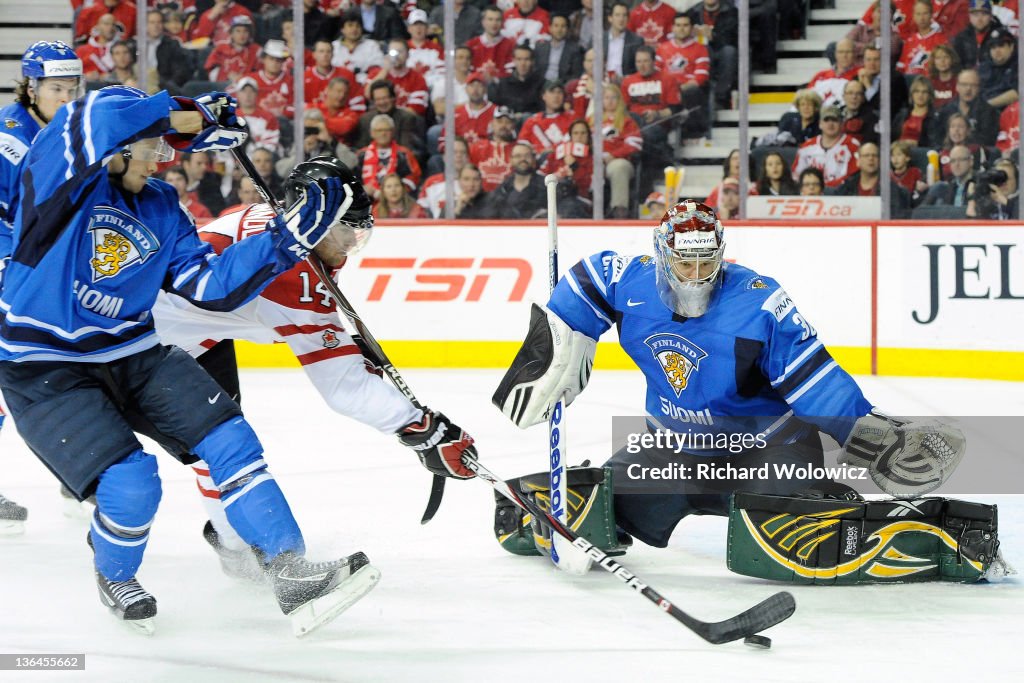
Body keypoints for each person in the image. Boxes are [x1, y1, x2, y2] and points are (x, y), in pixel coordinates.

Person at [0, 85, 377, 635]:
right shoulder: (63, 181)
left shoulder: (161, 205)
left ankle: (292, 573)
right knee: (133, 483)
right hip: (43, 365)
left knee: (232, 441)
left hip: (134, 352)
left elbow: (208, 284)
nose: (164, 153)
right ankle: (116, 575)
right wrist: (187, 111)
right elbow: (95, 111)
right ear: (120, 147)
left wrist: (289, 237)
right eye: (154, 143)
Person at [491, 200, 1003, 584]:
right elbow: (585, 280)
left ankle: (920, 534)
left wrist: (869, 434)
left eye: (705, 263)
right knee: (597, 504)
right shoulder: (631, 281)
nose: (695, 276)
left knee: (796, 528)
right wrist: (555, 339)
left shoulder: (758, 301)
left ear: (721, 255)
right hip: (674, 453)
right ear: (661, 256)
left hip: (766, 450)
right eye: (684, 264)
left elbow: (814, 379)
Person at [150, 157, 478, 578]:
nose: (349, 245)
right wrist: (419, 428)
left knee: (216, 442)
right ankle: (234, 543)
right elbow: (344, 387)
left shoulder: (273, 222)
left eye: (359, 231)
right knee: (215, 446)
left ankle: (230, 541)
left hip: (199, 327)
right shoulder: (294, 279)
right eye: (343, 230)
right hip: (152, 340)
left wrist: (338, 340)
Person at [0, 41, 83, 533]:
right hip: (15, 268)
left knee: (64, 369)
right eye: (56, 88)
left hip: (43, 270)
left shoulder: (65, 128)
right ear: (31, 87)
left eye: (72, 88)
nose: (65, 96)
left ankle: (77, 471)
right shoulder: (9, 138)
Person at [831, 142, 913, 217]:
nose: (871, 158)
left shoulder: (892, 189)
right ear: (858, 161)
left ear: (880, 161)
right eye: (866, 155)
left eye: (875, 155)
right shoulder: (846, 187)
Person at [792, 105, 861, 188]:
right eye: (826, 120)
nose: (830, 124)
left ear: (842, 124)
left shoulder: (853, 145)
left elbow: (853, 176)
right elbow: (796, 175)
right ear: (820, 124)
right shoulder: (807, 146)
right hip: (811, 193)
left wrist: (827, 187)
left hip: (841, 193)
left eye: (834, 120)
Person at [486, 143, 548, 219]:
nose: (523, 159)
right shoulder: (502, 189)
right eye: (518, 156)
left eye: (527, 155)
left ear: (533, 159)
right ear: (510, 160)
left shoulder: (547, 186)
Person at [893, 76, 939, 147]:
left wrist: (916, 144)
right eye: (917, 91)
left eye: (924, 92)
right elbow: (892, 137)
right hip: (899, 152)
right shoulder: (902, 114)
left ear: (930, 96)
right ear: (912, 94)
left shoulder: (934, 118)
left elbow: (934, 143)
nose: (920, 95)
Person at [927, 43, 961, 108]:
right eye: (938, 58)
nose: (942, 61)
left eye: (946, 57)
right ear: (934, 61)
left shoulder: (960, 81)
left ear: (952, 59)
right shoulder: (929, 81)